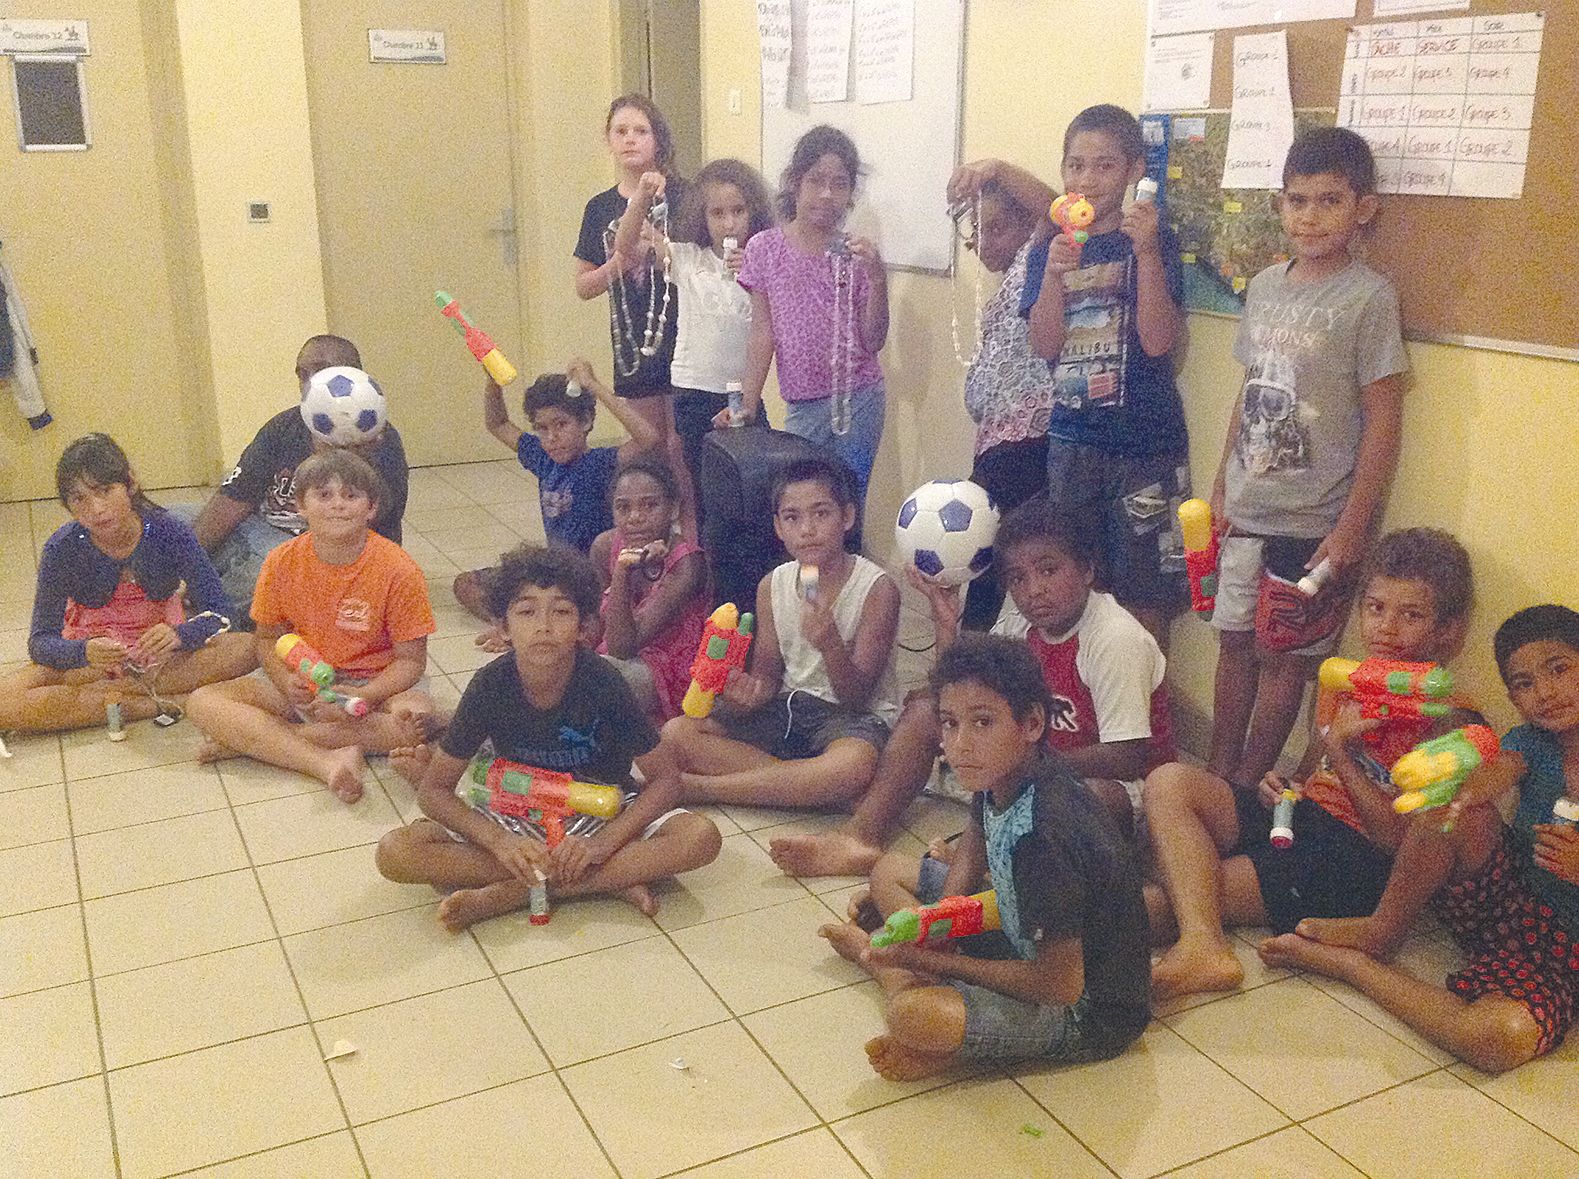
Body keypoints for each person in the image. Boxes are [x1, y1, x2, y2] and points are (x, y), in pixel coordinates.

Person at [1145, 528, 1477, 1000]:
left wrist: (1342, 752)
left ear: (1447, 630)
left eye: (1412, 615)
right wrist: (1284, 787)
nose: (1386, 627)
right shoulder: (1346, 681)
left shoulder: (1449, 719)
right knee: (1170, 781)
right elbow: (1312, 776)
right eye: (1376, 608)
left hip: (1352, 858)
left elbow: (1396, 842)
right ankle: (1202, 942)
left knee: (1171, 893)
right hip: (1303, 818)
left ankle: (1196, 943)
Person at [771, 498, 1169, 879]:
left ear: (1086, 570)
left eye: (1049, 571)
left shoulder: (1115, 638)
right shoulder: (1020, 624)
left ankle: (990, 870)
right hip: (1028, 767)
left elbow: (1127, 757)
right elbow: (958, 694)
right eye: (1018, 578)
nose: (1034, 589)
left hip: (1120, 791)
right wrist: (946, 625)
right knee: (925, 710)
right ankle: (861, 838)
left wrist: (1021, 764)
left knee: (1092, 798)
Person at [1260, 605, 1579, 1074]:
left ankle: (1358, 968)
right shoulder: (1532, 742)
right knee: (1452, 810)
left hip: (1561, 962)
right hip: (1513, 902)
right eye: (1524, 683)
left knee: (1495, 1040)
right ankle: (1380, 932)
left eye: (1559, 669)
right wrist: (1456, 787)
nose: (1545, 693)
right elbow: (1499, 773)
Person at [820, 635, 1151, 1080]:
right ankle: (916, 980)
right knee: (887, 870)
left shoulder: (1045, 835)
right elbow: (970, 853)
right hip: (1022, 928)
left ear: (1032, 724)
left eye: (982, 723)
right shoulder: (1000, 773)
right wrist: (939, 927)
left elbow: (1060, 984)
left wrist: (928, 960)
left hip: (1083, 1009)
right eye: (949, 724)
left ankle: (887, 971)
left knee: (912, 1016)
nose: (960, 745)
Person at [1203, 127, 1409, 791]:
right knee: (1232, 642)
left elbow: (1382, 416)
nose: (1309, 216)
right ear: (1280, 205)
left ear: (1362, 208)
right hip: (1247, 505)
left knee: (1280, 656)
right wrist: (1219, 484)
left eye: (1327, 201)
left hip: (1311, 519)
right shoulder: (1264, 286)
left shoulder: (1368, 298)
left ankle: (1246, 786)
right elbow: (1249, 388)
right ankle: (1214, 775)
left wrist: (1351, 526)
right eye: (1296, 201)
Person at [374, 544, 722, 932]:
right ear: (503, 627)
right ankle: (605, 881)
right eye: (526, 611)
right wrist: (499, 842)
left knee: (700, 837)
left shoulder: (605, 682)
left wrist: (602, 845)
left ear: (584, 628)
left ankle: (515, 893)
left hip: (599, 812)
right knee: (395, 852)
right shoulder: (490, 686)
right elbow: (434, 792)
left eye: (561, 611)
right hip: (513, 815)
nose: (544, 625)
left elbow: (666, 781)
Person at [1022, 104, 1187, 650]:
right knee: (1071, 590)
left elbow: (1159, 342)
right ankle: (1079, 705)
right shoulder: (1050, 247)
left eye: (1104, 166)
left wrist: (1146, 252)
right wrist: (1051, 275)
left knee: (1144, 597)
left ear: (1134, 170)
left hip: (1146, 446)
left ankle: (1143, 723)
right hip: (1074, 444)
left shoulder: (1156, 242)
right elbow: (1044, 345)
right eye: (1075, 166)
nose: (1087, 180)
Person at [186, 451, 434, 804]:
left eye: (351, 496)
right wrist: (288, 684)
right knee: (202, 702)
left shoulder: (399, 569)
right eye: (324, 495)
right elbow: (268, 638)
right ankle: (324, 761)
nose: (337, 505)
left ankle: (259, 742)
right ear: (300, 505)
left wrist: (363, 695)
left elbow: (411, 661)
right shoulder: (280, 561)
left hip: (377, 688)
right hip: (308, 679)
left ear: (371, 508)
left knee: (415, 720)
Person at [656, 456, 900, 808]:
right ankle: (807, 788)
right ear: (778, 527)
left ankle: (699, 789)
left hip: (850, 721)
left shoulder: (876, 588)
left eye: (821, 514)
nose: (807, 529)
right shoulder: (773, 584)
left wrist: (831, 645)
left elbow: (858, 698)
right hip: (788, 708)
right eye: (792, 517)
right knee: (678, 733)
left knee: (851, 765)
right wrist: (750, 693)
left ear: (847, 517)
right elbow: (768, 676)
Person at [2, 434, 254, 733]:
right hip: (93, 664)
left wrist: (180, 635)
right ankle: (163, 703)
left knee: (249, 647)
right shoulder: (62, 548)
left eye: (105, 491)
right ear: (67, 505)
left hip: (161, 659)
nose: (96, 509)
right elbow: (40, 642)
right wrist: (83, 652)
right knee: (5, 701)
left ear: (130, 483)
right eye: (79, 499)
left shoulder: (169, 531)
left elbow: (222, 613)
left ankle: (113, 700)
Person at [185, 334, 408, 621]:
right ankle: (196, 592)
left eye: (320, 370)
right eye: (302, 374)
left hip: (325, 549)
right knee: (172, 520)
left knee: (270, 570)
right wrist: (184, 560)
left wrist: (347, 457)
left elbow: (369, 523)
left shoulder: (378, 438)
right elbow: (233, 499)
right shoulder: (284, 426)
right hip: (260, 529)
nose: (309, 381)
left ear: (353, 377)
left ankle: (208, 613)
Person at [734, 126, 890, 509]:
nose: (826, 194)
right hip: (803, 403)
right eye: (816, 180)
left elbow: (873, 341)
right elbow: (762, 333)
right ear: (794, 182)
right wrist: (747, 402)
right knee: (803, 504)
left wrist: (877, 277)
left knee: (846, 505)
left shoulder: (855, 254)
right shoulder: (764, 248)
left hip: (858, 399)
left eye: (839, 184)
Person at [615, 157, 775, 525]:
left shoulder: (762, 261)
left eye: (738, 211)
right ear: (703, 218)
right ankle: (704, 567)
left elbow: (772, 324)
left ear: (754, 212)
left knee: (749, 489)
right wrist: (640, 197)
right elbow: (626, 247)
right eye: (717, 213)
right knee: (701, 493)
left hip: (743, 394)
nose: (729, 222)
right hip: (694, 392)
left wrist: (753, 277)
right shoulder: (688, 258)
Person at [452, 358, 660, 622]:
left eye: (561, 425)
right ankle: (508, 625)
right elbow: (498, 424)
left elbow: (648, 438)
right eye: (542, 428)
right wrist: (493, 382)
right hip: (551, 568)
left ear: (585, 421)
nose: (551, 437)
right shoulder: (543, 458)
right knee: (465, 583)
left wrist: (594, 386)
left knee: (561, 604)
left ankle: (529, 619)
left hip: (588, 578)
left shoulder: (600, 463)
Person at [944, 158, 1057, 630]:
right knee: (986, 559)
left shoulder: (1039, 258)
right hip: (997, 440)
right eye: (979, 229)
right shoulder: (1011, 277)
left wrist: (998, 170)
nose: (984, 242)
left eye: (999, 228)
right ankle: (973, 656)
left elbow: (1056, 210)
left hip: (1022, 442)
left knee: (990, 559)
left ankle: (971, 657)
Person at [574, 95, 687, 491]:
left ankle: (687, 535)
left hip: (680, 335)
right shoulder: (599, 207)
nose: (630, 139)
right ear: (608, 140)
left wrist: (656, 249)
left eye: (641, 131)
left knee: (681, 446)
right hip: (632, 344)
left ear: (658, 139)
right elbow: (584, 286)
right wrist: (621, 262)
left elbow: (694, 267)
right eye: (620, 131)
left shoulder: (684, 198)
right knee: (646, 442)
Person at [589, 456, 709, 721]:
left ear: (673, 508)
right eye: (623, 507)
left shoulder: (687, 563)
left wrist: (623, 570)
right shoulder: (604, 545)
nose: (635, 518)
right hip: (611, 657)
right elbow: (594, 623)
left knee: (598, 683)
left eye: (650, 505)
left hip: (665, 670)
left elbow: (623, 647)